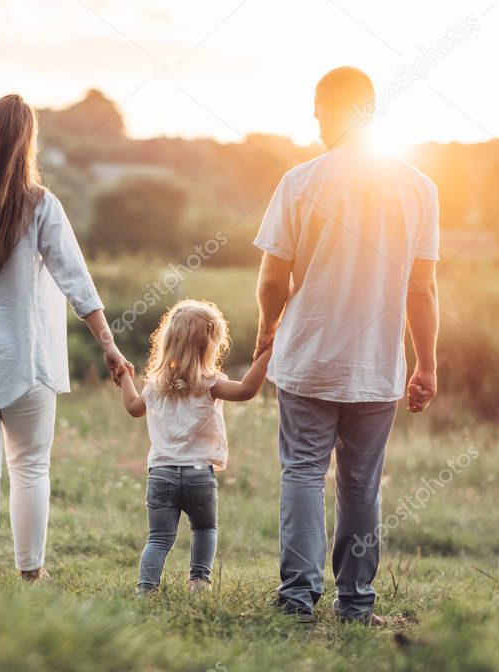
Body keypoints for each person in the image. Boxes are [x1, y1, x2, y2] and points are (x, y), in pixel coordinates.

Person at [253, 67, 440, 623]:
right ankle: (356, 604)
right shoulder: (418, 188)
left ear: (334, 109)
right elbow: (423, 288)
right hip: (378, 366)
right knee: (361, 485)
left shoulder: (300, 181)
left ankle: (297, 599)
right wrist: (426, 363)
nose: (314, 123)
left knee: (304, 472)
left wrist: (268, 325)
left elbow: (270, 278)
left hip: (309, 358)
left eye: (317, 111)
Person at [0, 94, 130, 583]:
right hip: (27, 361)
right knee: (31, 466)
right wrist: (108, 344)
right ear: (26, 144)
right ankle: (32, 575)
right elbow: (77, 280)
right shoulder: (40, 205)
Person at [117, 300, 271, 593]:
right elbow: (247, 390)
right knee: (204, 529)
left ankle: (145, 589)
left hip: (160, 474)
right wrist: (266, 355)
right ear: (209, 344)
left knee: (158, 538)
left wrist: (125, 377)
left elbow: (133, 408)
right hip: (199, 475)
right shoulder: (210, 383)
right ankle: (199, 581)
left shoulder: (154, 386)